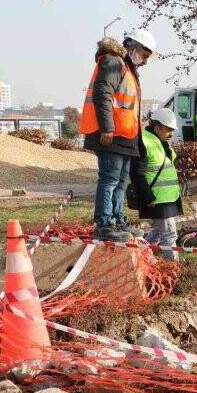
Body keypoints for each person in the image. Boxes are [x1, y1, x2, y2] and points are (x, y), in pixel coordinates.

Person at [81, 28, 157, 241]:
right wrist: (107, 128)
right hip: (112, 135)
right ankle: (104, 223)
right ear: (133, 47)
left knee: (121, 181)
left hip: (125, 136)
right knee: (110, 179)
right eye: (145, 55)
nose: (146, 61)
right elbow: (102, 93)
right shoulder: (114, 62)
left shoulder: (128, 69)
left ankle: (116, 219)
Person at [130, 108, 182, 261]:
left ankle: (140, 255)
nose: (171, 134)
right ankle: (173, 271)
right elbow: (136, 173)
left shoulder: (161, 142)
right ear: (157, 127)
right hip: (157, 199)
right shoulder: (146, 142)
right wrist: (148, 197)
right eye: (168, 130)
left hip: (167, 198)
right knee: (170, 235)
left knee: (158, 234)